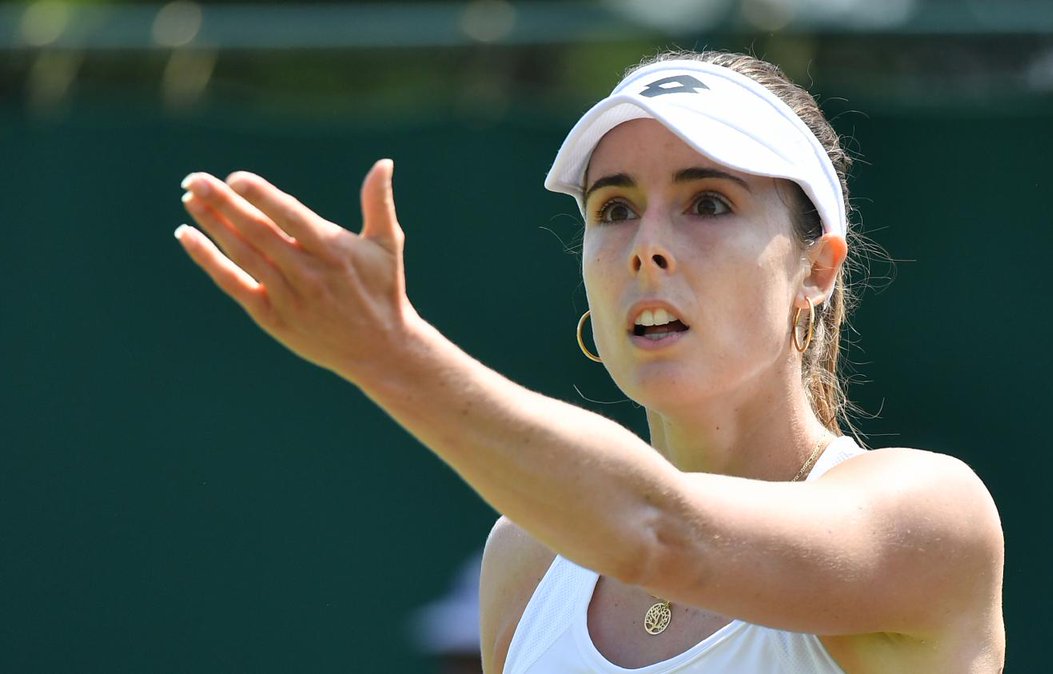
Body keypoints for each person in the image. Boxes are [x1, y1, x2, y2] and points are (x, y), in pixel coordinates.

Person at [175, 49, 1005, 673]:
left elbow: (662, 535)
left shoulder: (928, 520)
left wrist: (391, 355)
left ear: (816, 269)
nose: (647, 247)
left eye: (706, 203)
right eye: (614, 208)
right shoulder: (526, 561)